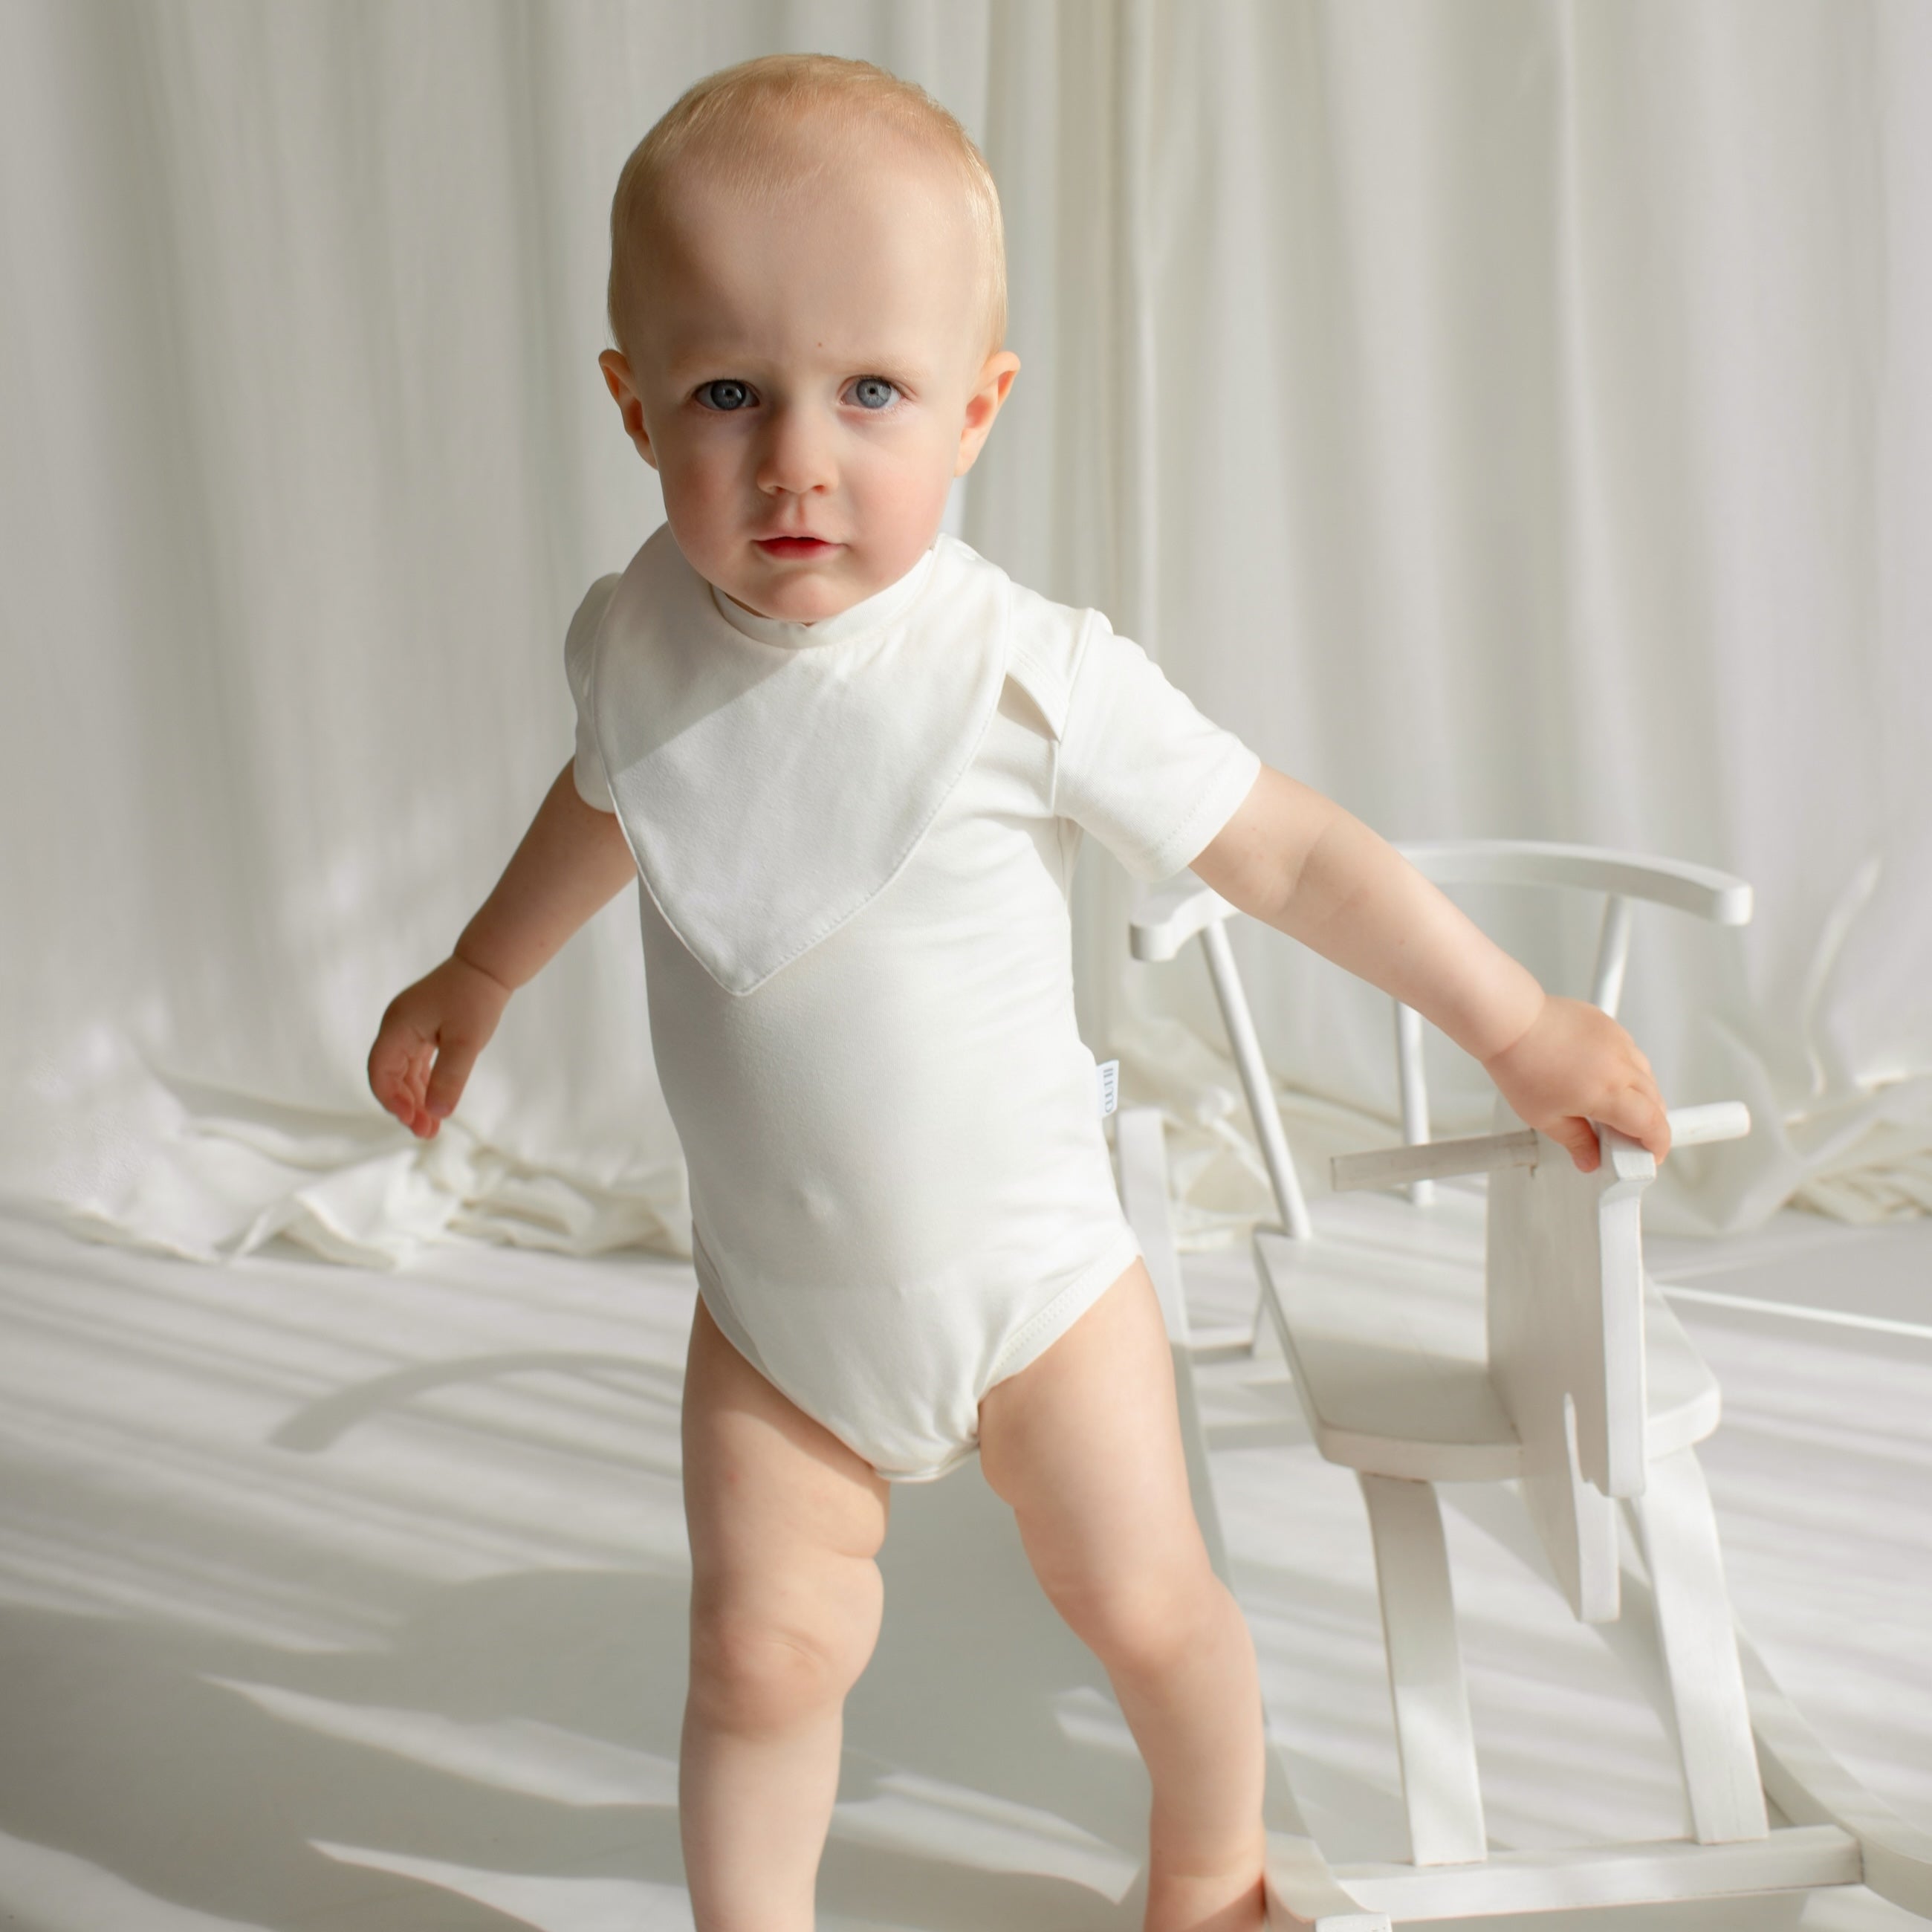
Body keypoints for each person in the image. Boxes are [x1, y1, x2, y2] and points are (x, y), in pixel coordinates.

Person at [366, 52, 1669, 1932]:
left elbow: (1288, 854)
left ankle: (1210, 1870)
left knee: (1144, 1605)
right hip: (774, 1320)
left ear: (975, 410)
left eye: (870, 392)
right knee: (757, 1654)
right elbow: (610, 791)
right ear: (631, 401)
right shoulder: (630, 633)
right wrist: (482, 965)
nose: (796, 455)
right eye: (727, 393)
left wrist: (1517, 1021)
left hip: (1037, 1290)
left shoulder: (1023, 673)